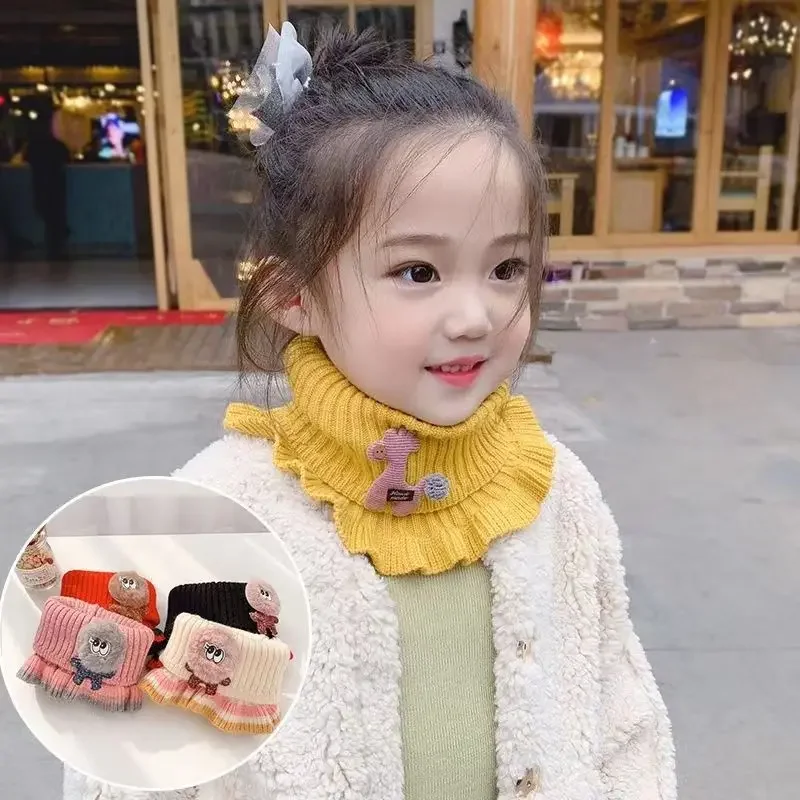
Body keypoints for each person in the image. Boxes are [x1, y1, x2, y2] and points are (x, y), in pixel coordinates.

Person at [65, 23, 675, 800]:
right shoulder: (213, 523)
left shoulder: (556, 493)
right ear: (294, 294)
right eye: (418, 271)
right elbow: (133, 771)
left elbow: (623, 724)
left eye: (506, 267)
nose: (477, 316)